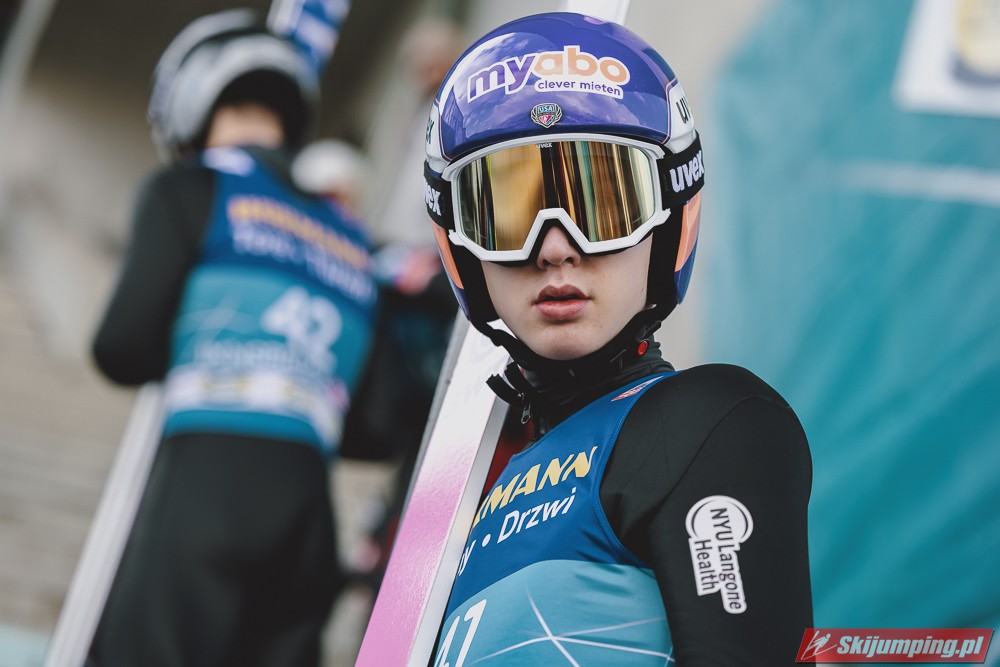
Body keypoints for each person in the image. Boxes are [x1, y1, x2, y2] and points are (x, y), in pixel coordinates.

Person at [421, 12, 813, 666]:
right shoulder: (466, 500)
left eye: (601, 203)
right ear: (461, 246)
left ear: (669, 220)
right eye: (506, 213)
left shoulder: (705, 424)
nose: (554, 247)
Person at [88, 9, 378, 667]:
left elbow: (120, 347)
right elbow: (371, 423)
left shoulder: (193, 186)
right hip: (308, 516)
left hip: (204, 487)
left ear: (189, 102)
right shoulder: (353, 238)